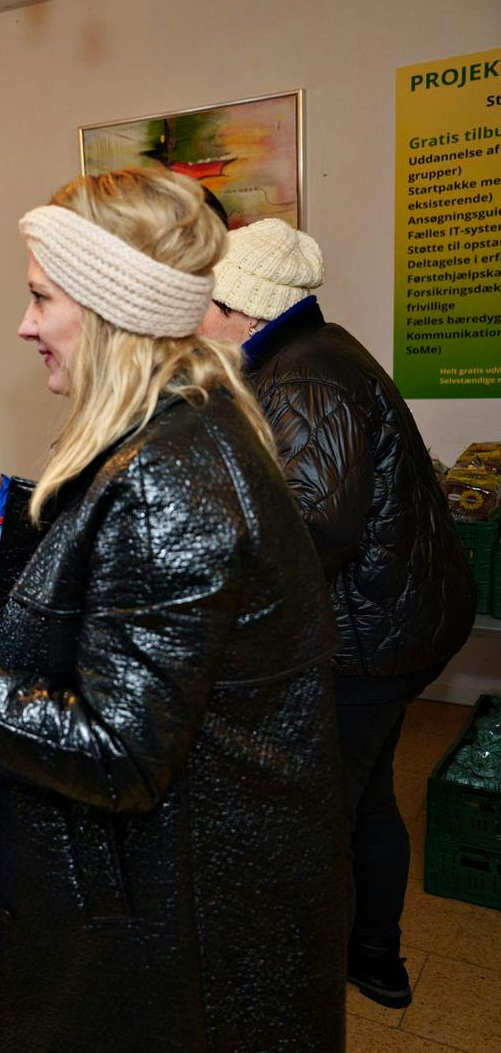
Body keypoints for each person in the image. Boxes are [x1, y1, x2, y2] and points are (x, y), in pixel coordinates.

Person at [0, 168, 346, 1052]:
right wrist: (14, 506)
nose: (24, 323)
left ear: (114, 309)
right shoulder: (185, 428)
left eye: (41, 297)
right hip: (181, 895)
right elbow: (127, 570)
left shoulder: (169, 477)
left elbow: (119, 753)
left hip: (164, 934)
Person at [201, 218, 476, 1008]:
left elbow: (316, 521)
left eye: (208, 301)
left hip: (372, 634)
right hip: (402, 617)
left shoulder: (303, 375)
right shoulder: (314, 348)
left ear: (244, 308)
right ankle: (375, 955)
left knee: (324, 810)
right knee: (369, 790)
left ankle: (315, 972)